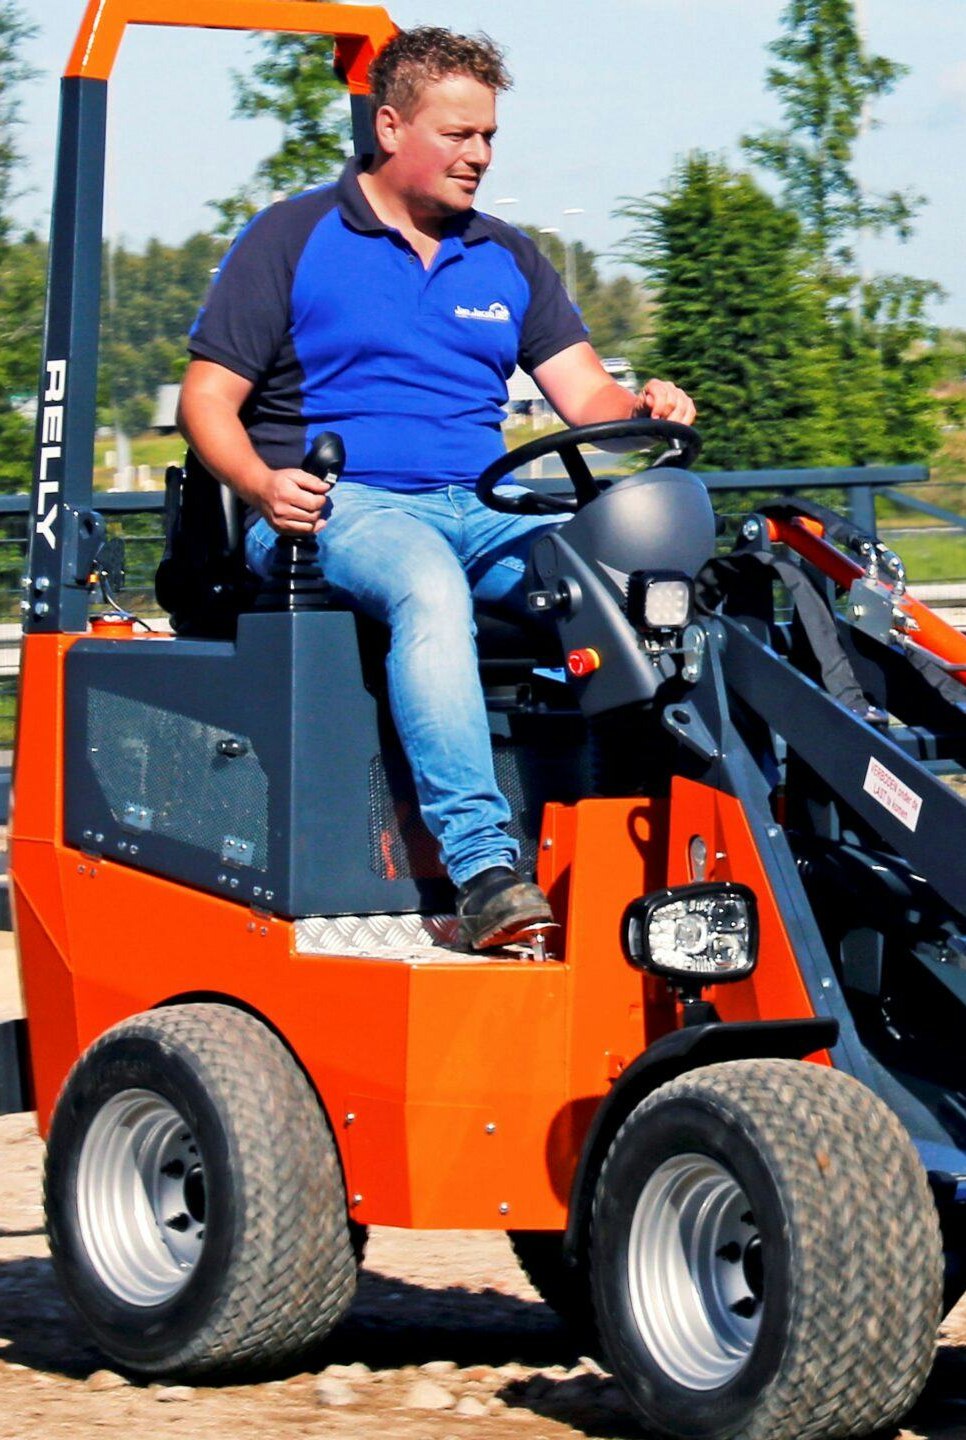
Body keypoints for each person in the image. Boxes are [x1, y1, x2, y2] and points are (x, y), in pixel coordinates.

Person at [177, 27, 693, 949]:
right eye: (458, 135)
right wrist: (261, 484)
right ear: (389, 125)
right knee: (426, 580)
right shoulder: (293, 238)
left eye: (489, 135)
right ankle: (485, 866)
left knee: (633, 585)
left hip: (480, 507)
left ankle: (666, 832)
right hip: (334, 510)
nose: (481, 155)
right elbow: (206, 400)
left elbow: (588, 398)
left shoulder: (507, 257)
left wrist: (646, 399)